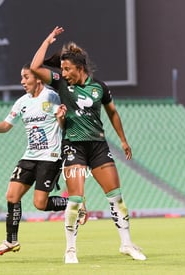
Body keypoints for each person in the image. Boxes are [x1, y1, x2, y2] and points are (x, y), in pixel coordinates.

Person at [30, 26, 146, 263]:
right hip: (74, 146)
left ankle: (126, 244)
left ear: (80, 68)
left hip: (98, 147)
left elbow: (112, 113)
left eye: (68, 69)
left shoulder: (99, 87)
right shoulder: (61, 83)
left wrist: (123, 140)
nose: (63, 72)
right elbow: (34, 67)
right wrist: (48, 40)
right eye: (62, 68)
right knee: (75, 199)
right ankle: (70, 250)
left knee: (116, 197)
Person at [0, 63, 86, 256]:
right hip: (29, 156)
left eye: (26, 77)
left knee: (40, 204)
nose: (22, 81)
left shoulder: (51, 96)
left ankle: (75, 203)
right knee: (12, 195)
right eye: (21, 77)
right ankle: (11, 241)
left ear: (37, 77)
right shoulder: (22, 102)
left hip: (50, 158)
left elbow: (63, 125)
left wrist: (61, 118)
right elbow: (6, 125)